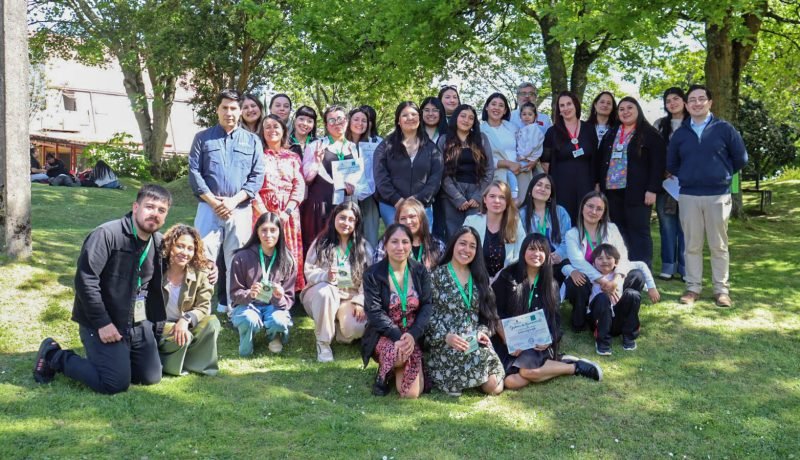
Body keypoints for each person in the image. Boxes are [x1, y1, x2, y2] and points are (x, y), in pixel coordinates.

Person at [33, 185, 172, 394]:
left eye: (161, 210)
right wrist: (102, 323)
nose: (154, 214)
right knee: (114, 384)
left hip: (137, 323)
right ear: (135, 207)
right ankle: (54, 355)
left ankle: (117, 359)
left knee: (150, 377)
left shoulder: (158, 242)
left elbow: (183, 257)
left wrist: (208, 268)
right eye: (149, 207)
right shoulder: (107, 235)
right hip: (104, 322)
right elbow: (85, 280)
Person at [667, 84, 748, 308]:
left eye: (701, 98)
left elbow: (741, 158)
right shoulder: (681, 133)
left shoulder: (724, 129)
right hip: (689, 196)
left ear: (710, 102)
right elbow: (672, 163)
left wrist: (720, 175)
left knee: (718, 245)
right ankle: (693, 287)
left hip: (718, 196)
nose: (696, 103)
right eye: (691, 99)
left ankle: (721, 290)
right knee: (692, 245)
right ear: (686, 105)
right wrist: (688, 175)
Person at [188, 89, 265, 315]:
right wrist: (213, 202)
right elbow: (194, 172)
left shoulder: (252, 141)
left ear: (240, 111)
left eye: (233, 108)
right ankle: (197, 308)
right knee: (200, 256)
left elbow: (256, 176)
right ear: (217, 110)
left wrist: (232, 201)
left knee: (237, 259)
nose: (229, 113)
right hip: (207, 207)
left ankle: (235, 309)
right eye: (225, 108)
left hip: (239, 209)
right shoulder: (202, 138)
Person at [491, 233, 602, 389]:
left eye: (541, 250)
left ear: (547, 255)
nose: (536, 254)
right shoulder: (507, 277)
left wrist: (549, 338)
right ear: (523, 251)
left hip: (535, 343)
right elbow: (493, 312)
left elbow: (555, 320)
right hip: (509, 342)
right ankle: (559, 362)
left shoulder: (551, 284)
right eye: (532, 249)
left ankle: (574, 368)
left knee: (528, 372)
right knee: (512, 382)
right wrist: (506, 338)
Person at [562, 192, 659, 332]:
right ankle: (581, 317)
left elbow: (623, 256)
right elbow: (578, 262)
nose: (594, 211)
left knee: (637, 275)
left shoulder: (611, 229)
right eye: (590, 206)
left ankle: (624, 313)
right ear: (582, 207)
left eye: (599, 208)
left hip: (613, 278)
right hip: (590, 280)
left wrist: (616, 280)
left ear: (604, 212)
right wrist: (603, 281)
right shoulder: (572, 234)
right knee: (576, 281)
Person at [425, 226, 505, 396]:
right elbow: (427, 314)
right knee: (456, 390)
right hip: (446, 342)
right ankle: (464, 378)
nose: (466, 250)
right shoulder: (436, 276)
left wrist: (482, 332)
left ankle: (471, 376)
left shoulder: (479, 276)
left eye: (472, 246)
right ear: (453, 244)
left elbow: (487, 316)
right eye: (463, 244)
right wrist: (445, 336)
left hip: (473, 340)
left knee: (495, 387)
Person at [362, 223, 433, 398]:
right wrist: (397, 336)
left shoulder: (420, 271)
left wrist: (412, 334)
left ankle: (396, 367)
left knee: (411, 393)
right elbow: (375, 312)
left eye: (405, 242)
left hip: (412, 334)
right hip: (385, 334)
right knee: (399, 357)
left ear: (411, 244)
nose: (400, 247)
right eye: (394, 242)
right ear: (385, 245)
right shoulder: (372, 274)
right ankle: (384, 373)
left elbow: (427, 305)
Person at [596, 96, 666, 267]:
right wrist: (598, 184)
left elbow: (658, 164)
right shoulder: (612, 133)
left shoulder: (650, 134)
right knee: (619, 232)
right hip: (612, 192)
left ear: (638, 110)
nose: (625, 112)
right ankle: (624, 268)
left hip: (639, 192)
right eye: (621, 109)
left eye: (630, 108)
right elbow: (600, 159)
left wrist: (652, 189)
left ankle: (642, 271)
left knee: (639, 231)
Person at [302, 202, 373, 362]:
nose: (346, 223)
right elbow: (308, 269)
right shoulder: (321, 242)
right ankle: (323, 343)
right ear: (334, 218)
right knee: (326, 292)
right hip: (321, 294)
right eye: (342, 218)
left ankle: (338, 330)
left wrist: (360, 301)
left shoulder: (363, 247)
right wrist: (324, 276)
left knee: (356, 328)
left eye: (351, 220)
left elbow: (370, 278)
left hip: (349, 298)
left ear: (356, 223)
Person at [230, 212, 297, 356]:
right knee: (248, 319)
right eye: (264, 230)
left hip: (273, 307)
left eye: (273, 230)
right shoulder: (241, 257)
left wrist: (280, 296)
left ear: (280, 232)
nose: (268, 235)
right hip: (249, 306)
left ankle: (275, 336)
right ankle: (247, 334)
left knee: (279, 321)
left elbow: (289, 300)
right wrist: (249, 294)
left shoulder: (288, 259)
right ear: (257, 232)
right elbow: (234, 294)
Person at [157, 224, 221, 376]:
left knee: (212, 322)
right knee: (182, 337)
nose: (184, 252)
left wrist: (185, 320)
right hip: (160, 326)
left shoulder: (202, 272)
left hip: (186, 323)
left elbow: (204, 306)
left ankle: (197, 364)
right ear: (169, 246)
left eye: (190, 248)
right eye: (179, 246)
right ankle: (170, 364)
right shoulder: (155, 268)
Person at [301, 105, 361, 258]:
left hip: (343, 204)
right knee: (316, 245)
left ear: (346, 121)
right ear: (326, 125)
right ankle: (315, 279)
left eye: (340, 119)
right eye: (332, 120)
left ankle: (341, 278)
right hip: (319, 204)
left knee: (342, 243)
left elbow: (359, 177)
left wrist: (353, 188)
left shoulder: (353, 148)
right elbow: (306, 178)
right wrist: (316, 161)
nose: (336, 123)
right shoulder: (316, 145)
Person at [254, 114, 305, 291]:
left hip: (288, 212)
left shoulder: (293, 157)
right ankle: (264, 291)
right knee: (266, 249)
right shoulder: (257, 156)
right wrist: (264, 214)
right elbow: (252, 186)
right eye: (267, 127)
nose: (271, 130)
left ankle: (288, 291)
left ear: (283, 130)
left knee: (288, 251)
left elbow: (299, 186)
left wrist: (287, 211)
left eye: (276, 126)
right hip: (263, 210)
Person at [373, 101, 443, 227]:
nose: (410, 118)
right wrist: (397, 201)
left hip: (422, 207)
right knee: (398, 244)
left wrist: (417, 201)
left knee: (421, 244)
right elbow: (380, 177)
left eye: (414, 114)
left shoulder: (431, 148)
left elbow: (435, 179)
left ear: (419, 118)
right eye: (405, 115)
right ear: (398, 120)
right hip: (391, 206)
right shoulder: (385, 147)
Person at [437, 104, 495, 240]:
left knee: (475, 236)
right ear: (456, 118)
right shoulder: (444, 140)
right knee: (454, 236)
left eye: (471, 118)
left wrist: (478, 196)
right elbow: (442, 172)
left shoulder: (481, 139)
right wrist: (457, 198)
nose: (466, 120)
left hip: (476, 193)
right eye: (463, 116)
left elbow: (489, 170)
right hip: (452, 195)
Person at [541, 91, 598, 223]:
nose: (566, 108)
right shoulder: (552, 132)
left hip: (586, 184)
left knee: (586, 220)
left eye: (569, 104)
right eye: (562, 106)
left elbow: (595, 159)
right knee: (564, 221)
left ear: (576, 106)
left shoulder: (589, 129)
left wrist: (596, 184)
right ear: (558, 110)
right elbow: (545, 163)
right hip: (561, 186)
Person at [589, 243, 654, 355]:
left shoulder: (620, 273)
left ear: (616, 262)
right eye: (600, 258)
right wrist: (572, 271)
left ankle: (629, 336)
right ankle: (603, 342)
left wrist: (651, 287)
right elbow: (567, 267)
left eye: (609, 258)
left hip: (618, 318)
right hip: (599, 319)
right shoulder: (591, 273)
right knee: (602, 297)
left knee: (632, 294)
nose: (604, 261)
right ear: (593, 263)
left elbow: (641, 265)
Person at [653, 87, 688, 281]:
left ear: (684, 101)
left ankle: (684, 268)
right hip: (666, 182)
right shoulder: (660, 124)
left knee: (686, 227)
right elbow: (654, 152)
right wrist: (663, 171)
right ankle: (668, 265)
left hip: (689, 183)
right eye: (668, 100)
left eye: (676, 99)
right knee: (667, 225)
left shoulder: (693, 123)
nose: (672, 103)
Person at [463, 181, 526, 280]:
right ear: (484, 199)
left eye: (502, 197)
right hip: (475, 281)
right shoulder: (471, 221)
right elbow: (464, 253)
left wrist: (501, 276)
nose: (497, 201)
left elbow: (520, 254)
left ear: (507, 202)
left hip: (506, 282)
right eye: (492, 196)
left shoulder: (515, 224)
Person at [518, 173, 572, 284]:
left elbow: (568, 240)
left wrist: (559, 255)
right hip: (532, 261)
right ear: (530, 189)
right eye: (539, 185)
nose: (543, 189)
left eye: (547, 187)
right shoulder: (521, 214)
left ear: (551, 193)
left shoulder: (560, 212)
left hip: (556, 262)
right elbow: (520, 242)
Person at [373, 197, 445, 270]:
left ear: (421, 219)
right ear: (397, 221)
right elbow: (376, 275)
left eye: (412, 217)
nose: (408, 222)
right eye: (403, 218)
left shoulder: (438, 245)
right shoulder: (385, 244)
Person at [347, 106, 383, 247]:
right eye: (356, 119)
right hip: (346, 196)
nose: (360, 123)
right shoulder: (341, 144)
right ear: (349, 122)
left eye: (364, 120)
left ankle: (370, 267)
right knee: (347, 234)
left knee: (369, 235)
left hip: (370, 195)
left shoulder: (376, 143)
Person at [481, 92, 521, 200]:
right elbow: (479, 158)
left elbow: (523, 148)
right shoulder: (479, 130)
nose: (497, 108)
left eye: (501, 105)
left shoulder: (513, 128)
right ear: (486, 107)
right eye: (493, 104)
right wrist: (506, 164)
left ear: (505, 111)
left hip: (517, 175)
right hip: (493, 178)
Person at [515, 101, 546, 192]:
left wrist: (522, 156)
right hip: (525, 158)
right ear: (520, 116)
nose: (527, 117)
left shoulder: (533, 129)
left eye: (530, 114)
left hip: (529, 158)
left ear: (535, 116)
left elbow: (531, 145)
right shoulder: (525, 128)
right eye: (524, 114)